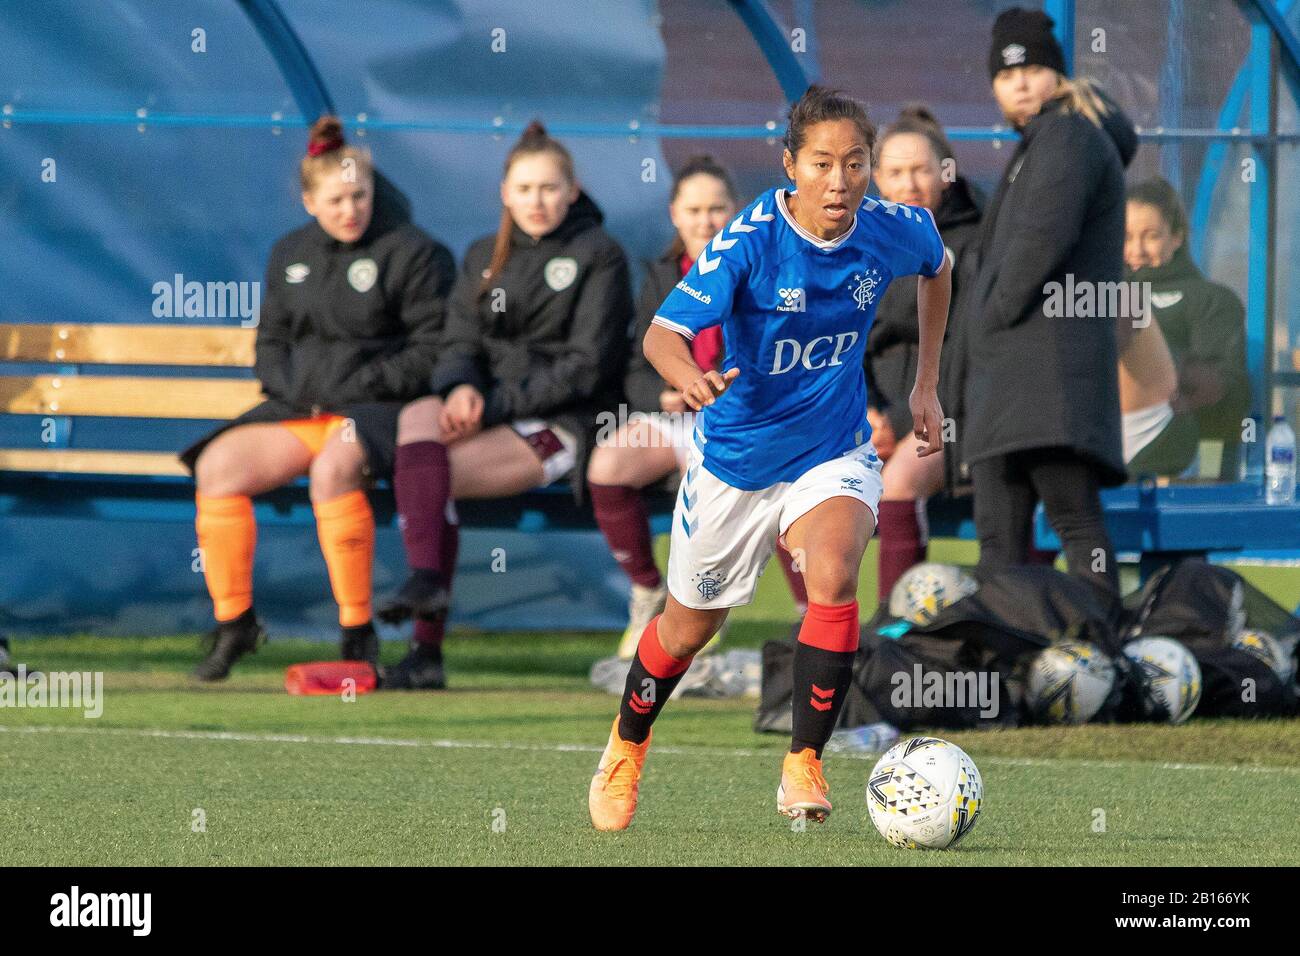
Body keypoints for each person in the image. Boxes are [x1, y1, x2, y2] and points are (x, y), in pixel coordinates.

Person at [587, 86, 952, 831]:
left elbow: (940, 268)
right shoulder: (750, 241)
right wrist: (687, 376)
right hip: (736, 464)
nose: (841, 180)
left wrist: (926, 384)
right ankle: (627, 744)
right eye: (823, 162)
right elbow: (662, 333)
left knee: (834, 570)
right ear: (791, 166)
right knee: (688, 630)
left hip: (833, 447)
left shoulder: (889, 228)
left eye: (856, 163)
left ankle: (804, 763)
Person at [180, 116, 455, 681]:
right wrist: (294, 389)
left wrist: (359, 387)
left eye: (360, 196)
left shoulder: (413, 251)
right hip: (300, 409)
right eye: (335, 200)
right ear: (309, 201)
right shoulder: (290, 252)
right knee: (217, 467)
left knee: (333, 470)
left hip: (373, 411)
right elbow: (271, 343)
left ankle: (356, 629)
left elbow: (431, 350)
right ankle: (236, 623)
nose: (350, 210)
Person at [378, 121, 634, 689]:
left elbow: (585, 366)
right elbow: (458, 340)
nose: (536, 201)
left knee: (430, 476)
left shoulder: (601, 256)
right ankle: (426, 582)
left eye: (548, 189)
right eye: (524, 189)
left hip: (566, 421)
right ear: (504, 193)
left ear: (572, 190)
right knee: (417, 418)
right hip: (492, 410)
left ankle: (426, 648)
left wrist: (490, 405)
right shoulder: (482, 255)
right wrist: (460, 385)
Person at [588, 155, 810, 659]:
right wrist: (667, 393)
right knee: (607, 464)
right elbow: (636, 366)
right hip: (678, 418)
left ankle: (806, 623)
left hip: (746, 420)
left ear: (735, 213)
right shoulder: (661, 274)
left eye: (716, 209)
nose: (705, 220)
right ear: (674, 214)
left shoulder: (765, 268)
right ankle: (649, 592)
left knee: (767, 487)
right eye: (694, 209)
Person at [962, 8, 1137, 597]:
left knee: (1070, 518)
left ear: (1057, 75)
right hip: (1015, 379)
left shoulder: (1067, 135)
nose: (1020, 82)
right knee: (1001, 542)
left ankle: (1103, 650)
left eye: (1034, 68)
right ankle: (1009, 667)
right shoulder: (1040, 143)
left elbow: (1041, 240)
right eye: (1007, 74)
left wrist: (989, 316)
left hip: (1043, 373)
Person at [865, 105, 982, 601]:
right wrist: (867, 412)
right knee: (792, 476)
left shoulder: (976, 242)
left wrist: (900, 417)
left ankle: (897, 625)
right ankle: (818, 625)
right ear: (876, 179)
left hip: (957, 416)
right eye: (894, 172)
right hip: (876, 419)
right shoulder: (860, 242)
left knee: (898, 483)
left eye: (920, 170)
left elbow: (969, 343)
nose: (908, 183)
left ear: (945, 173)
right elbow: (848, 343)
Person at [1125, 177, 1249, 478]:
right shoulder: (1097, 297)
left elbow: (1227, 391)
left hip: (1177, 459)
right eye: (1126, 237)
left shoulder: (1211, 301)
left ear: (1177, 237)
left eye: (1151, 236)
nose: (1137, 250)